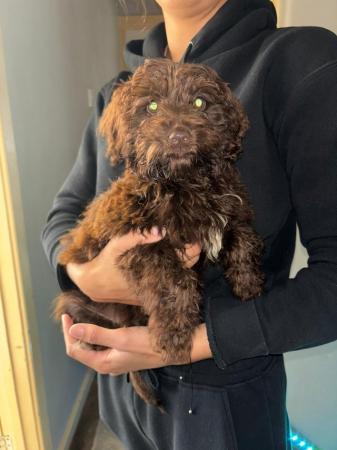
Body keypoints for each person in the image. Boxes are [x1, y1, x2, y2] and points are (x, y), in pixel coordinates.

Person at [41, 0, 337, 448]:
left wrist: (189, 342)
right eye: (154, 110)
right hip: (121, 397)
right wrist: (86, 277)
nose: (175, 124)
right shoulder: (117, 94)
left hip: (223, 399)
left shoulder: (299, 61)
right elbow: (62, 215)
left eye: (198, 105)